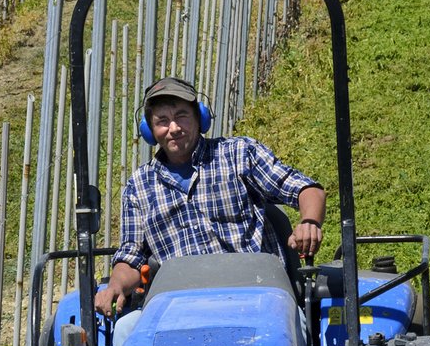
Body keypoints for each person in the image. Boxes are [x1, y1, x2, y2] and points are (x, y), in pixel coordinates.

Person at [93, 77, 327, 317]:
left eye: (181, 115)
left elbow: (306, 189)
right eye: (162, 121)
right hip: (180, 311)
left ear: (200, 118)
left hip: (256, 298)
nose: (174, 128)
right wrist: (115, 286)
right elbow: (131, 257)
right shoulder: (139, 187)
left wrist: (309, 222)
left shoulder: (238, 155)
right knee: (124, 331)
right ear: (149, 131)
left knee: (295, 329)